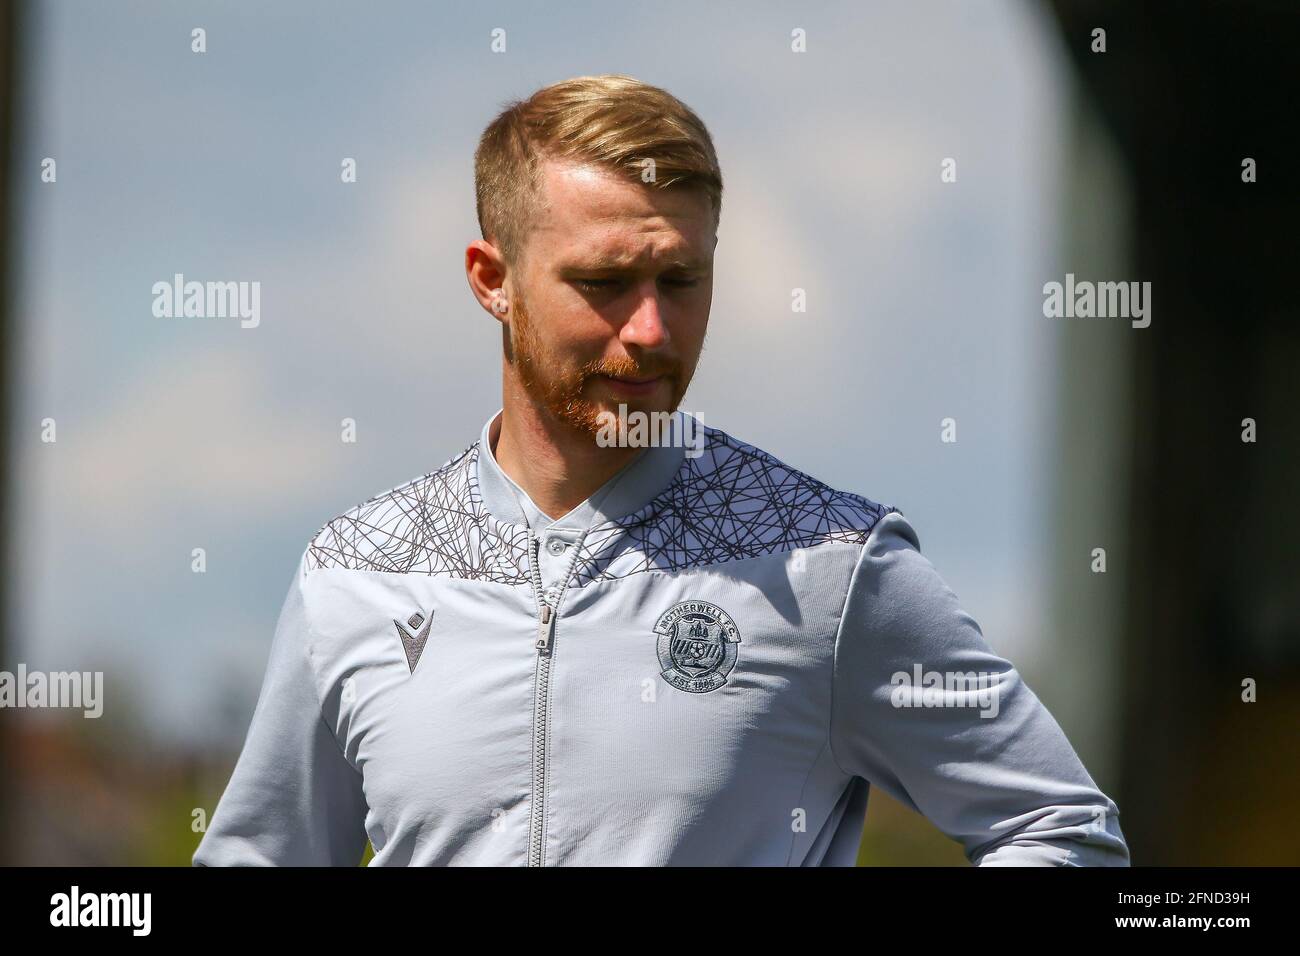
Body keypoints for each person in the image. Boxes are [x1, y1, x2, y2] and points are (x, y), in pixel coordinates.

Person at [193, 74, 1129, 866]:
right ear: (493, 280)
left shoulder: (831, 569)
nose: (650, 330)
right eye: (603, 283)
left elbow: (1059, 827)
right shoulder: (355, 575)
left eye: (681, 281)